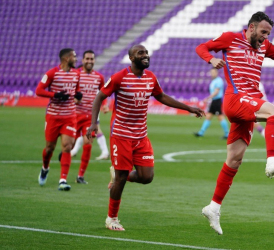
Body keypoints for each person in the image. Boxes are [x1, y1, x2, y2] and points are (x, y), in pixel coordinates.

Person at [195, 11, 274, 234]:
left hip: (249, 102)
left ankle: (213, 207)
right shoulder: (231, 38)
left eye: (268, 33)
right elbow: (201, 47)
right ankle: (271, 161)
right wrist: (210, 59)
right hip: (235, 98)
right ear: (251, 27)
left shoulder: (265, 46)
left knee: (234, 159)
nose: (265, 37)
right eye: (262, 32)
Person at [86, 44, 205, 231]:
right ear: (132, 58)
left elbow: (162, 97)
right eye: (141, 53)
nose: (146, 55)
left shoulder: (150, 77)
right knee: (122, 177)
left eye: (146, 53)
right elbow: (99, 97)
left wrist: (188, 107)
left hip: (141, 135)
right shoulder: (119, 77)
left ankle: (117, 175)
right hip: (121, 135)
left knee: (146, 176)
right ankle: (112, 218)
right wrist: (94, 122)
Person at [36, 48, 82, 191]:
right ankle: (45, 167)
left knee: (67, 147)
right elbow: (39, 90)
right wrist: (55, 95)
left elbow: (76, 92)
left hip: (69, 116)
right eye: (74, 57)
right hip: (53, 116)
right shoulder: (52, 73)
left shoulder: (76, 73)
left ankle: (63, 180)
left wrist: (78, 96)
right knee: (49, 148)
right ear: (66, 58)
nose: (76, 59)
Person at [72, 50, 106, 184]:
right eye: (87, 59)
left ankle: (80, 176)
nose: (89, 61)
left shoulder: (99, 77)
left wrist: (105, 105)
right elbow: (69, 90)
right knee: (69, 145)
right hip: (74, 115)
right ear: (82, 60)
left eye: (92, 59)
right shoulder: (76, 74)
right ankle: (63, 174)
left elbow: (104, 92)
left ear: (94, 60)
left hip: (90, 117)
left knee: (88, 144)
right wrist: (73, 99)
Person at [194, 68, 229, 139]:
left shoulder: (219, 81)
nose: (212, 74)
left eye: (214, 72)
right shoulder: (214, 81)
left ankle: (227, 134)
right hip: (214, 101)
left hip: (217, 101)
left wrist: (208, 98)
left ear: (217, 73)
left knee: (220, 117)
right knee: (208, 116)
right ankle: (201, 132)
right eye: (211, 72)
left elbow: (216, 92)